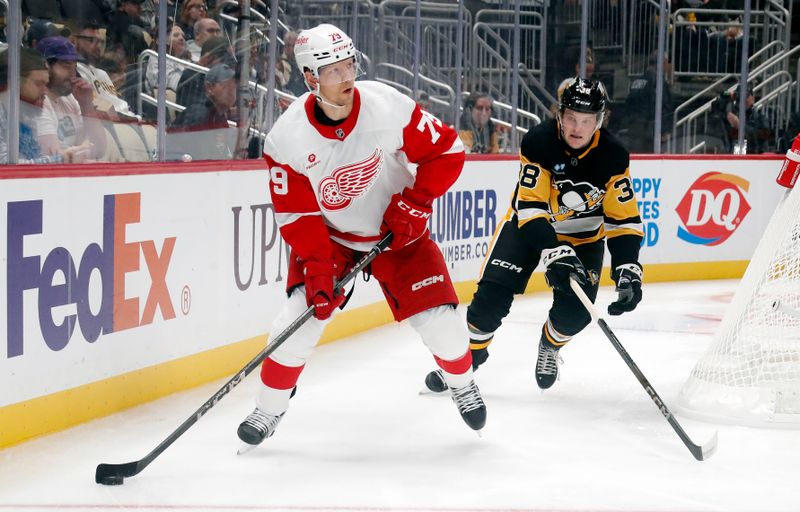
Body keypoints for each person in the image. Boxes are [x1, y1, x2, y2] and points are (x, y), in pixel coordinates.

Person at [236, 23, 486, 451]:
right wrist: (316, 267)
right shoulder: (286, 139)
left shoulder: (386, 106)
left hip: (397, 235)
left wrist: (416, 202)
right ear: (311, 79)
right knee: (295, 323)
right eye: (334, 70)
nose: (347, 77)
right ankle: (269, 406)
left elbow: (447, 153)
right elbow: (297, 214)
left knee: (443, 327)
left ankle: (461, 381)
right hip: (331, 241)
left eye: (349, 64)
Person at [424, 77, 644, 393]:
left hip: (582, 239)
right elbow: (531, 208)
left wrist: (628, 270)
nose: (577, 128)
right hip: (529, 229)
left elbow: (623, 221)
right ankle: (467, 360)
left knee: (575, 315)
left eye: (586, 121)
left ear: (600, 121)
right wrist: (554, 250)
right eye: (571, 118)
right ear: (560, 115)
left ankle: (550, 344)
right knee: (488, 303)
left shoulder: (613, 155)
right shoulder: (540, 141)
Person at [36, 36, 107, 161]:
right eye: (66, 66)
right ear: (45, 66)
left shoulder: (69, 99)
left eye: (74, 67)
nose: (73, 74)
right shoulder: (39, 102)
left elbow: (99, 149)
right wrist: (84, 152)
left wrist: (86, 105)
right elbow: (53, 160)